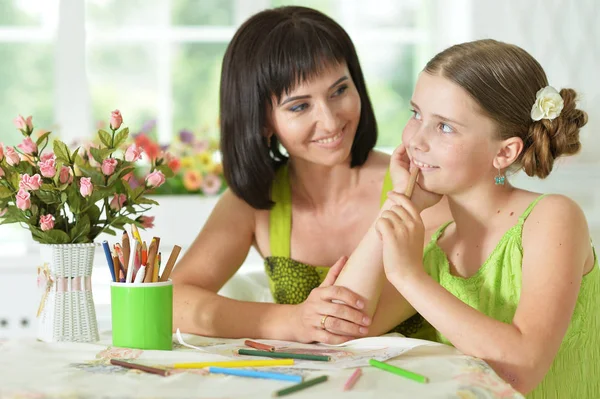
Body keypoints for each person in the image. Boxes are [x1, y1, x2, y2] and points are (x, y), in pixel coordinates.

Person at [171, 6, 450, 344]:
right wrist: (291, 320)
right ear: (260, 120)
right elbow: (172, 302)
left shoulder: (421, 190)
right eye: (299, 106)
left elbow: (348, 327)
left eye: (339, 91)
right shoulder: (255, 200)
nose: (331, 121)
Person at [373, 39, 599, 397]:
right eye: (416, 114)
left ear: (505, 151)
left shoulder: (552, 219)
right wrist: (401, 203)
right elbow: (345, 326)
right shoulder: (439, 245)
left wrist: (407, 275)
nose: (415, 140)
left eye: (444, 126)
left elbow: (520, 373)